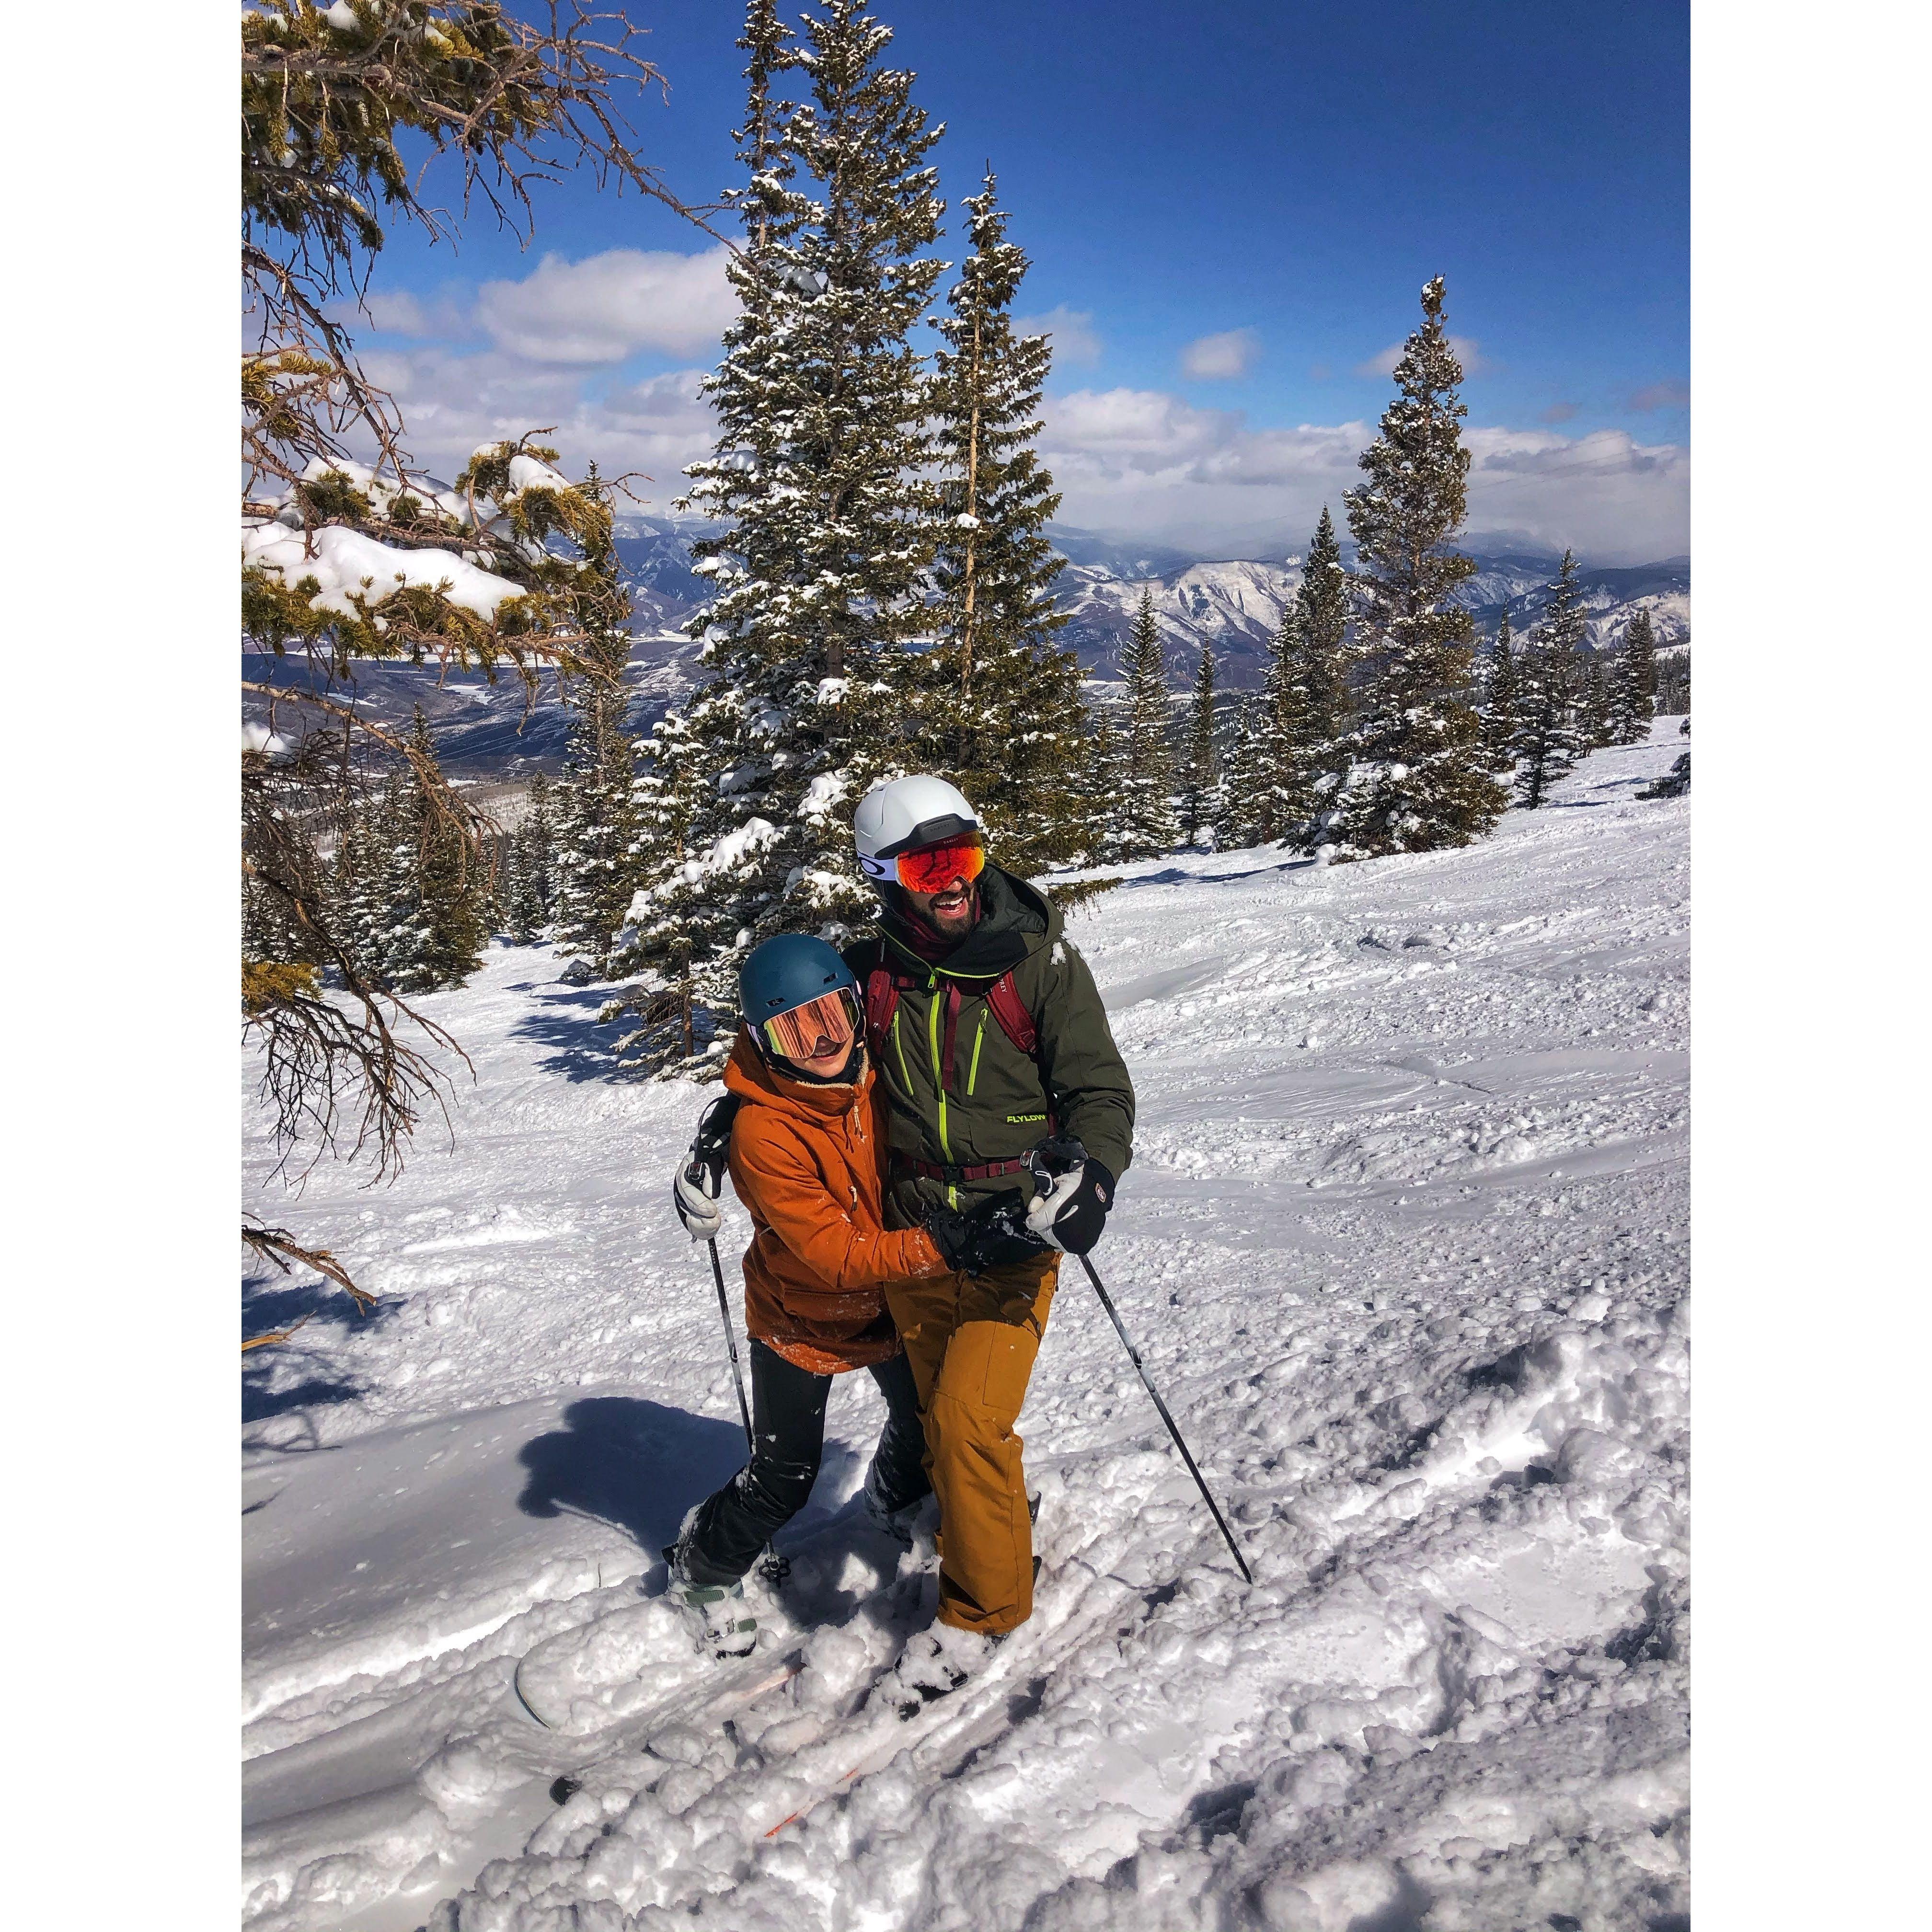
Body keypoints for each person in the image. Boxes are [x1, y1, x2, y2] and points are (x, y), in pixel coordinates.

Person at [844, 775, 1136, 1712]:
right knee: (938, 1413)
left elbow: (1098, 1091)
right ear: (884, 879)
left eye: (963, 856)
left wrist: (1089, 1175)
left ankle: (985, 1610)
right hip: (915, 1234)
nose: (952, 882)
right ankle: (971, 1524)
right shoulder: (870, 974)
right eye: (928, 865)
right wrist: (734, 1125)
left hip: (1016, 1229)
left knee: (970, 1415)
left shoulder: (1039, 965)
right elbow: (800, 1067)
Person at [664, 932, 1037, 1659]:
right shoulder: (765, 1134)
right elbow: (840, 1258)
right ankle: (702, 1569)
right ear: (761, 1040)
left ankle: (897, 1499)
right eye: (795, 1029)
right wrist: (949, 1244)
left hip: (891, 1301)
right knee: (785, 1479)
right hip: (803, 1316)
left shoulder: (874, 1070)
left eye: (833, 1014)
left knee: (927, 1412)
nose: (825, 1041)